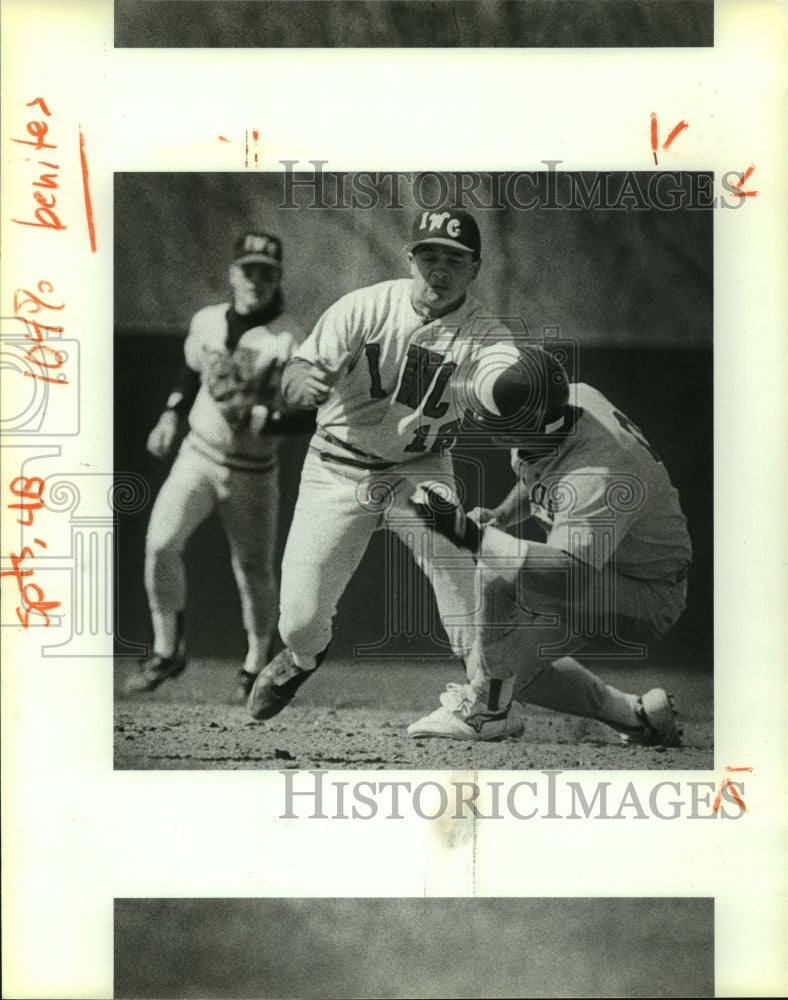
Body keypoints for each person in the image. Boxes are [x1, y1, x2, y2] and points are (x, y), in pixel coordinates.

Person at [247, 208, 516, 723]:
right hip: (336, 466)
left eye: (455, 259)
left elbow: (511, 386)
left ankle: (487, 700)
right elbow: (301, 368)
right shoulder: (366, 305)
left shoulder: (488, 336)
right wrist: (299, 383)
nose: (440, 269)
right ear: (409, 259)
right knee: (300, 621)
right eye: (429, 255)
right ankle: (303, 658)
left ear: (475, 269)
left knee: (457, 573)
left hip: (420, 468)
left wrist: (510, 394)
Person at [407, 342, 691, 744]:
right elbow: (540, 474)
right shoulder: (558, 411)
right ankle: (638, 716)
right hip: (607, 570)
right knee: (491, 663)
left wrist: (471, 536)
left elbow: (566, 575)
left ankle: (487, 713)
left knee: (497, 580)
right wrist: (503, 515)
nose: (474, 417)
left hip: (645, 593)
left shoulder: (597, 471)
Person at [124, 232, 307, 701]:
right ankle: (167, 650)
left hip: (253, 470)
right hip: (198, 455)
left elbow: (309, 409)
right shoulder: (206, 321)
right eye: (248, 270)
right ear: (232, 274)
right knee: (161, 543)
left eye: (267, 272)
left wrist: (274, 419)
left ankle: (254, 664)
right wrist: (171, 411)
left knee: (253, 570)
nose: (256, 281)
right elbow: (190, 370)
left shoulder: (289, 336)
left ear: (278, 278)